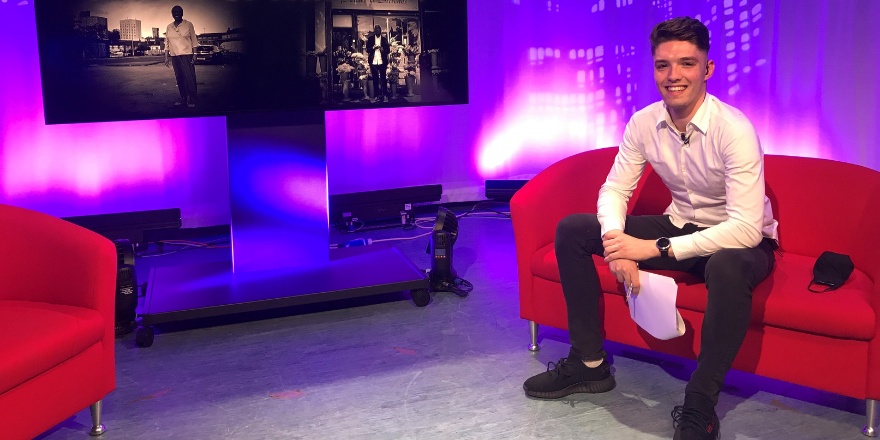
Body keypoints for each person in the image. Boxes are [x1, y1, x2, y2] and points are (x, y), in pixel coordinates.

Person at [522, 16, 778, 440]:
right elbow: (615, 189)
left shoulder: (735, 131)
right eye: (663, 65)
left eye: (686, 64)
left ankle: (700, 405)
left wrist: (652, 249)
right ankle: (589, 365)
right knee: (572, 229)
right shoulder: (644, 122)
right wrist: (615, 243)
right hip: (681, 225)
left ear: (708, 69)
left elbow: (746, 229)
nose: (673, 76)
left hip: (737, 241)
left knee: (728, 268)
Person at [164, 5, 199, 108]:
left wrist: (195, 54)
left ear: (182, 13)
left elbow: (194, 40)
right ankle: (183, 97)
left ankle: (190, 99)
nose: (176, 13)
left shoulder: (188, 24)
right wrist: (166, 57)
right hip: (175, 56)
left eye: (179, 12)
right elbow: (167, 43)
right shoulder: (169, 26)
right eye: (174, 12)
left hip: (187, 55)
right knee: (179, 78)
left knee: (189, 77)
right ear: (172, 14)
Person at [366, 25, 390, 102]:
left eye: (378, 29)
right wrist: (373, 48)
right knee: (375, 80)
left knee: (383, 79)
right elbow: (367, 50)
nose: (377, 31)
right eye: (375, 29)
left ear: (380, 30)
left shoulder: (384, 39)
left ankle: (385, 95)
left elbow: (388, 50)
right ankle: (376, 96)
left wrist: (383, 49)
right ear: (374, 31)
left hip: (382, 62)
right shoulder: (370, 39)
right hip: (373, 62)